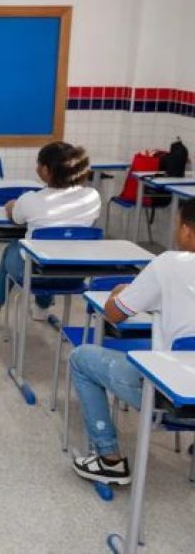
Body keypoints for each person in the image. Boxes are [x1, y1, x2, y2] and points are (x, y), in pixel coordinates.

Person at [69, 198, 195, 485]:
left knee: (82, 358)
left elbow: (115, 314)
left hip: (169, 395)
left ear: (186, 230)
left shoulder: (169, 264)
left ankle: (109, 459)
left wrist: (119, 292)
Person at [0, 141, 101, 328]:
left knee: (14, 250)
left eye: (38, 164)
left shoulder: (30, 200)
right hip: (75, 274)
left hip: (34, 274)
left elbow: (15, 217)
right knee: (54, 252)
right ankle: (41, 309)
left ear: (45, 170)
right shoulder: (92, 196)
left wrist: (12, 205)